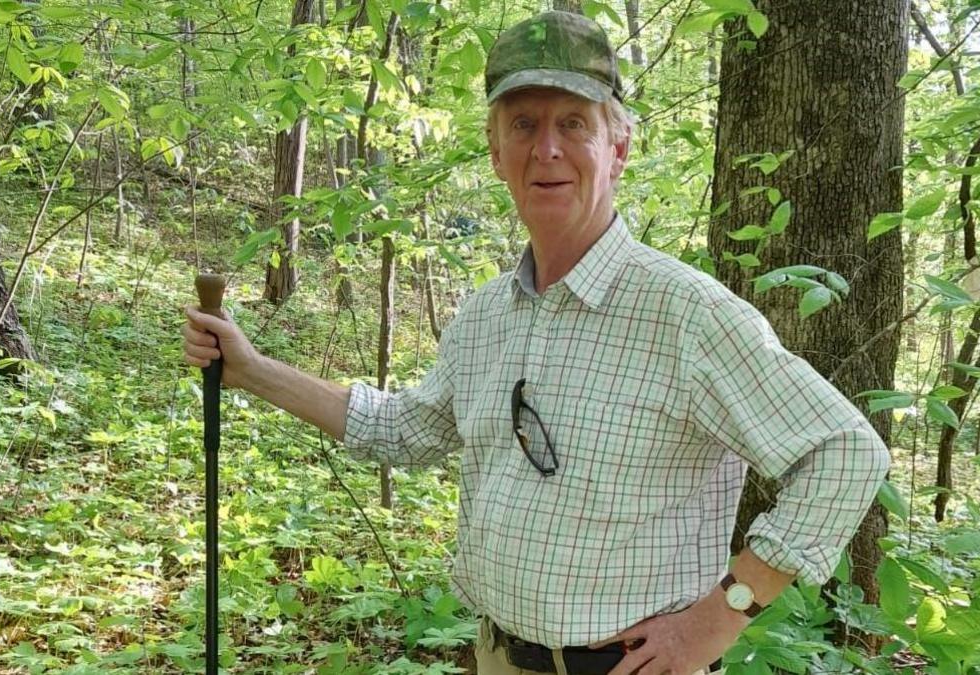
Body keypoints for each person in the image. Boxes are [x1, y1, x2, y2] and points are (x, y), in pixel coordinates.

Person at [182, 11, 889, 675]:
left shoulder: (685, 313)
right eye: (523, 123)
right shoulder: (487, 315)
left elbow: (845, 452)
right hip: (496, 655)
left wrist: (722, 614)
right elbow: (405, 430)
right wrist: (251, 370)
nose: (546, 147)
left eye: (573, 123)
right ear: (496, 152)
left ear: (618, 146)